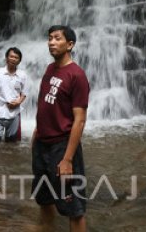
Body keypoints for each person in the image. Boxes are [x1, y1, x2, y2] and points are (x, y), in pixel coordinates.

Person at [31, 25, 89, 232]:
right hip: (42, 143)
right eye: (49, 38)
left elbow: (79, 120)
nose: (51, 42)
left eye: (57, 38)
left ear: (70, 45)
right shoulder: (50, 69)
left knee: (74, 208)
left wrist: (67, 159)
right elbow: (46, 104)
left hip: (61, 147)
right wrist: (37, 132)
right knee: (44, 197)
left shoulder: (77, 75)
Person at [0, 47, 27, 143]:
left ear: (19, 61)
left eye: (16, 57)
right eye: (11, 56)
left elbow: (24, 93)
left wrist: (18, 102)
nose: (13, 59)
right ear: (6, 58)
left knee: (12, 144)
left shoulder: (23, 75)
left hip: (14, 114)